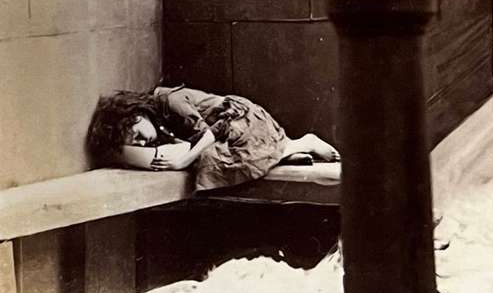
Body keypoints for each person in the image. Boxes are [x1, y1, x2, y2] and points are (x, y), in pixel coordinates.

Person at [87, 85, 339, 191]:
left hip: (239, 120)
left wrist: (183, 160)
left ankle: (301, 143)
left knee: (211, 161)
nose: (142, 143)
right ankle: (281, 154)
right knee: (211, 160)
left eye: (138, 135)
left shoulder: (169, 101)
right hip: (223, 132)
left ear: (137, 114)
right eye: (137, 143)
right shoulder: (156, 122)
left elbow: (215, 130)